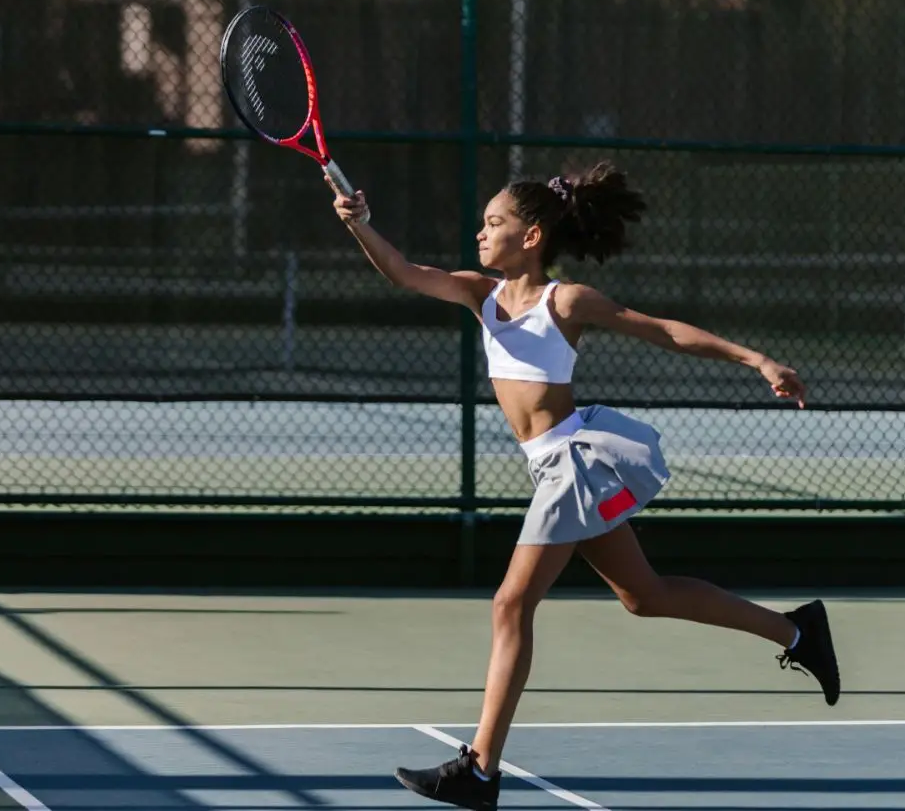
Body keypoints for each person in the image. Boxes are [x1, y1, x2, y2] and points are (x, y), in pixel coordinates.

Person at [327, 161, 841, 811]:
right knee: (645, 595)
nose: (481, 234)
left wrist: (757, 360)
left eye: (495, 223)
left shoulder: (564, 301)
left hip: (573, 463)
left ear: (533, 235)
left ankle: (480, 767)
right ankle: (798, 633)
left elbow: (662, 330)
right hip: (553, 469)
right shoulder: (478, 294)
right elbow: (402, 271)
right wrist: (361, 225)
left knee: (510, 606)